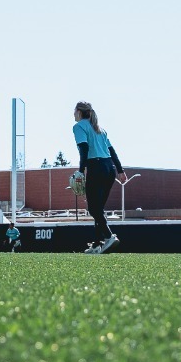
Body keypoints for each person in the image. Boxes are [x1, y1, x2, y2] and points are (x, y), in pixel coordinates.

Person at [72, 102, 123, 254]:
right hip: (109, 169)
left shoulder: (79, 126)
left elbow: (84, 149)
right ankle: (96, 245)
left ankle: (108, 236)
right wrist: (120, 170)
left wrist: (81, 171)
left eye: (74, 111)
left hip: (96, 167)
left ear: (80, 112)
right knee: (98, 209)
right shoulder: (100, 129)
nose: (73, 114)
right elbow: (112, 151)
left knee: (93, 209)